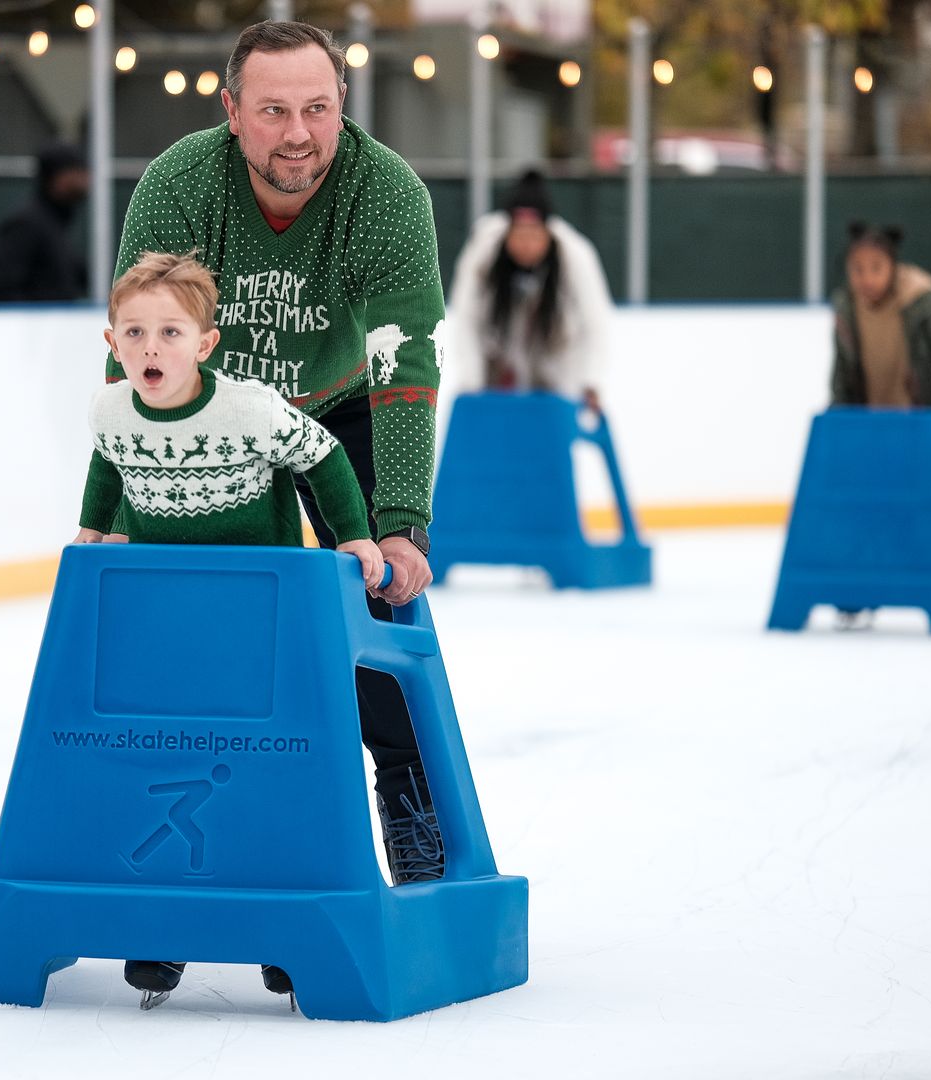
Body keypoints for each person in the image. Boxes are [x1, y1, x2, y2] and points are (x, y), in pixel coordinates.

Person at [101, 19, 447, 1004]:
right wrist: (127, 503)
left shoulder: (385, 195)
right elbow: (133, 351)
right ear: (231, 113)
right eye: (274, 111)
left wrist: (401, 520)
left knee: (372, 613)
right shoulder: (180, 186)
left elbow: (403, 360)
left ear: (342, 107)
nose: (298, 134)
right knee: (198, 645)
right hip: (210, 413)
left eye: (318, 109)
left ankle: (410, 805)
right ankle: (178, 889)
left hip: (342, 403)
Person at [76, 251, 385, 1009]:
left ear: (205, 344)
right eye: (136, 332)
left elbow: (325, 455)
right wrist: (95, 528)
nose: (153, 347)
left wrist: (353, 536)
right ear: (112, 341)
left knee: (269, 764)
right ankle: (164, 927)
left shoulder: (248, 408)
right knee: (168, 761)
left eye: (171, 332)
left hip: (261, 614)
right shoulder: (111, 409)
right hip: (165, 622)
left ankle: (285, 928)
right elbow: (110, 464)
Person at [446, 170, 613, 411]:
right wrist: (472, 380)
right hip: (499, 365)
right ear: (507, 232)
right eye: (519, 234)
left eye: (534, 234)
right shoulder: (483, 255)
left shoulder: (575, 255)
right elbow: (466, 318)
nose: (526, 244)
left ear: (548, 232)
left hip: (557, 365)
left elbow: (596, 321)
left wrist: (591, 381)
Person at [830, 222, 931, 435]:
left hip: (923, 423)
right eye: (857, 269)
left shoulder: (921, 305)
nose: (866, 279)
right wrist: (838, 416)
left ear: (892, 266)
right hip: (871, 425)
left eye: (876, 267)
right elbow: (843, 373)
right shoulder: (847, 311)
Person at [0, 143, 91, 302]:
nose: (85, 180)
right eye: (77, 172)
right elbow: (2, 290)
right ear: (56, 178)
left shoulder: (56, 224)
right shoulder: (26, 224)